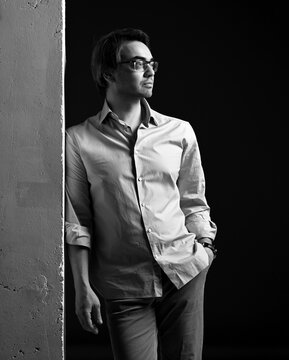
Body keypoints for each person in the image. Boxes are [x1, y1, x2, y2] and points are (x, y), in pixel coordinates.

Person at [65, 27, 217, 360]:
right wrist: (82, 288)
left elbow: (194, 201)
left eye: (151, 63)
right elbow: (78, 223)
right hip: (123, 285)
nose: (149, 71)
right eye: (136, 63)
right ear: (108, 73)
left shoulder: (179, 131)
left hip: (184, 273)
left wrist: (204, 249)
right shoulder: (78, 140)